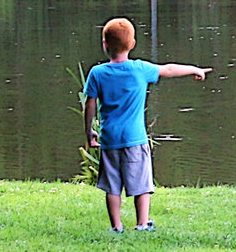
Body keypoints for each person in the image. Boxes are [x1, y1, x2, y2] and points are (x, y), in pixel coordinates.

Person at [81, 16, 209, 232]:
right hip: (135, 138)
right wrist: (195, 69)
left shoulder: (97, 73)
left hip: (110, 139)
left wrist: (89, 131)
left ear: (105, 45)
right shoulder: (140, 69)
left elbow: (90, 106)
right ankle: (142, 223)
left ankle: (116, 226)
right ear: (132, 44)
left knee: (112, 187)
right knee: (141, 183)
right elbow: (168, 69)